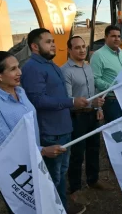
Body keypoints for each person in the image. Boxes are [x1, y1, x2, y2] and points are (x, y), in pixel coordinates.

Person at [0, 51, 76, 213]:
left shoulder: (21, 92)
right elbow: (7, 143)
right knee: (26, 207)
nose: (19, 72)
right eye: (13, 69)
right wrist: (42, 151)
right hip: (15, 169)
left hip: (33, 159)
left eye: (18, 67)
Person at [20, 28, 90, 212]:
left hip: (64, 129)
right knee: (53, 177)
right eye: (48, 41)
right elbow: (37, 100)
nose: (53, 44)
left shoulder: (50, 64)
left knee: (61, 173)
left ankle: (61, 207)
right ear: (35, 46)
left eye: (53, 41)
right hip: (51, 133)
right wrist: (72, 102)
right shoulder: (32, 68)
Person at [61, 36, 112, 208]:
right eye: (77, 48)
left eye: (83, 47)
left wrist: (98, 109)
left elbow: (95, 91)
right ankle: (75, 188)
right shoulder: (66, 71)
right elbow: (68, 99)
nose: (82, 50)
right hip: (77, 117)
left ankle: (93, 179)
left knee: (94, 148)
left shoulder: (88, 67)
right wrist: (92, 103)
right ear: (69, 50)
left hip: (92, 115)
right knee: (77, 153)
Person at [90, 25, 122, 124]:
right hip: (111, 100)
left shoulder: (121, 52)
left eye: (119, 36)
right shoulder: (98, 55)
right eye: (113, 36)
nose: (117, 39)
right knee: (117, 131)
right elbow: (96, 79)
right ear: (106, 37)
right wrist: (112, 87)